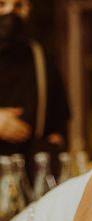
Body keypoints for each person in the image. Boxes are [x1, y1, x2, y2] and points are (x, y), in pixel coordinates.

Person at [0, 0, 70, 182]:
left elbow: (59, 121)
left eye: (19, 6)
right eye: (1, 4)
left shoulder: (39, 58)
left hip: (28, 181)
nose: (10, 13)